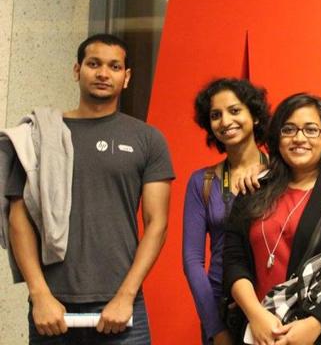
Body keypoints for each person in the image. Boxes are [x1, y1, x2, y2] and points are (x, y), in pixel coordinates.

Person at [5, 33, 175, 344]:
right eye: (93, 64)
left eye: (114, 66)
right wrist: (39, 294)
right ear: (76, 70)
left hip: (122, 305)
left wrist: (126, 295)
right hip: (51, 306)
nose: (102, 73)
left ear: (126, 77)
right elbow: (19, 219)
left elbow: (157, 224)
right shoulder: (39, 136)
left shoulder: (148, 139)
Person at [223, 93, 321, 345]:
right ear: (277, 139)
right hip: (257, 332)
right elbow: (233, 261)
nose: (299, 138)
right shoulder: (253, 190)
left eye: (311, 130)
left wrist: (315, 325)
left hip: (319, 332)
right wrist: (256, 315)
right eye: (289, 129)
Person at [183, 78, 270, 345]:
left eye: (234, 110)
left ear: (254, 116)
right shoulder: (203, 182)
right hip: (222, 309)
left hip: (275, 303)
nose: (225, 121)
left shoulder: (283, 173)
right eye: (215, 115)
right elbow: (192, 261)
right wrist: (215, 329)